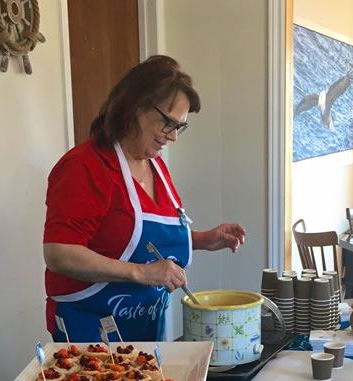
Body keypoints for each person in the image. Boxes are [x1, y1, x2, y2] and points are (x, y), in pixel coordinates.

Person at [43, 55, 246, 342]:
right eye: (168, 123)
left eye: (179, 127)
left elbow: (143, 241)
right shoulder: (84, 166)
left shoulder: (156, 168)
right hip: (91, 332)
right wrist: (141, 273)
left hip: (144, 330)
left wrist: (201, 240)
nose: (173, 137)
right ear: (134, 106)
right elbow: (59, 253)